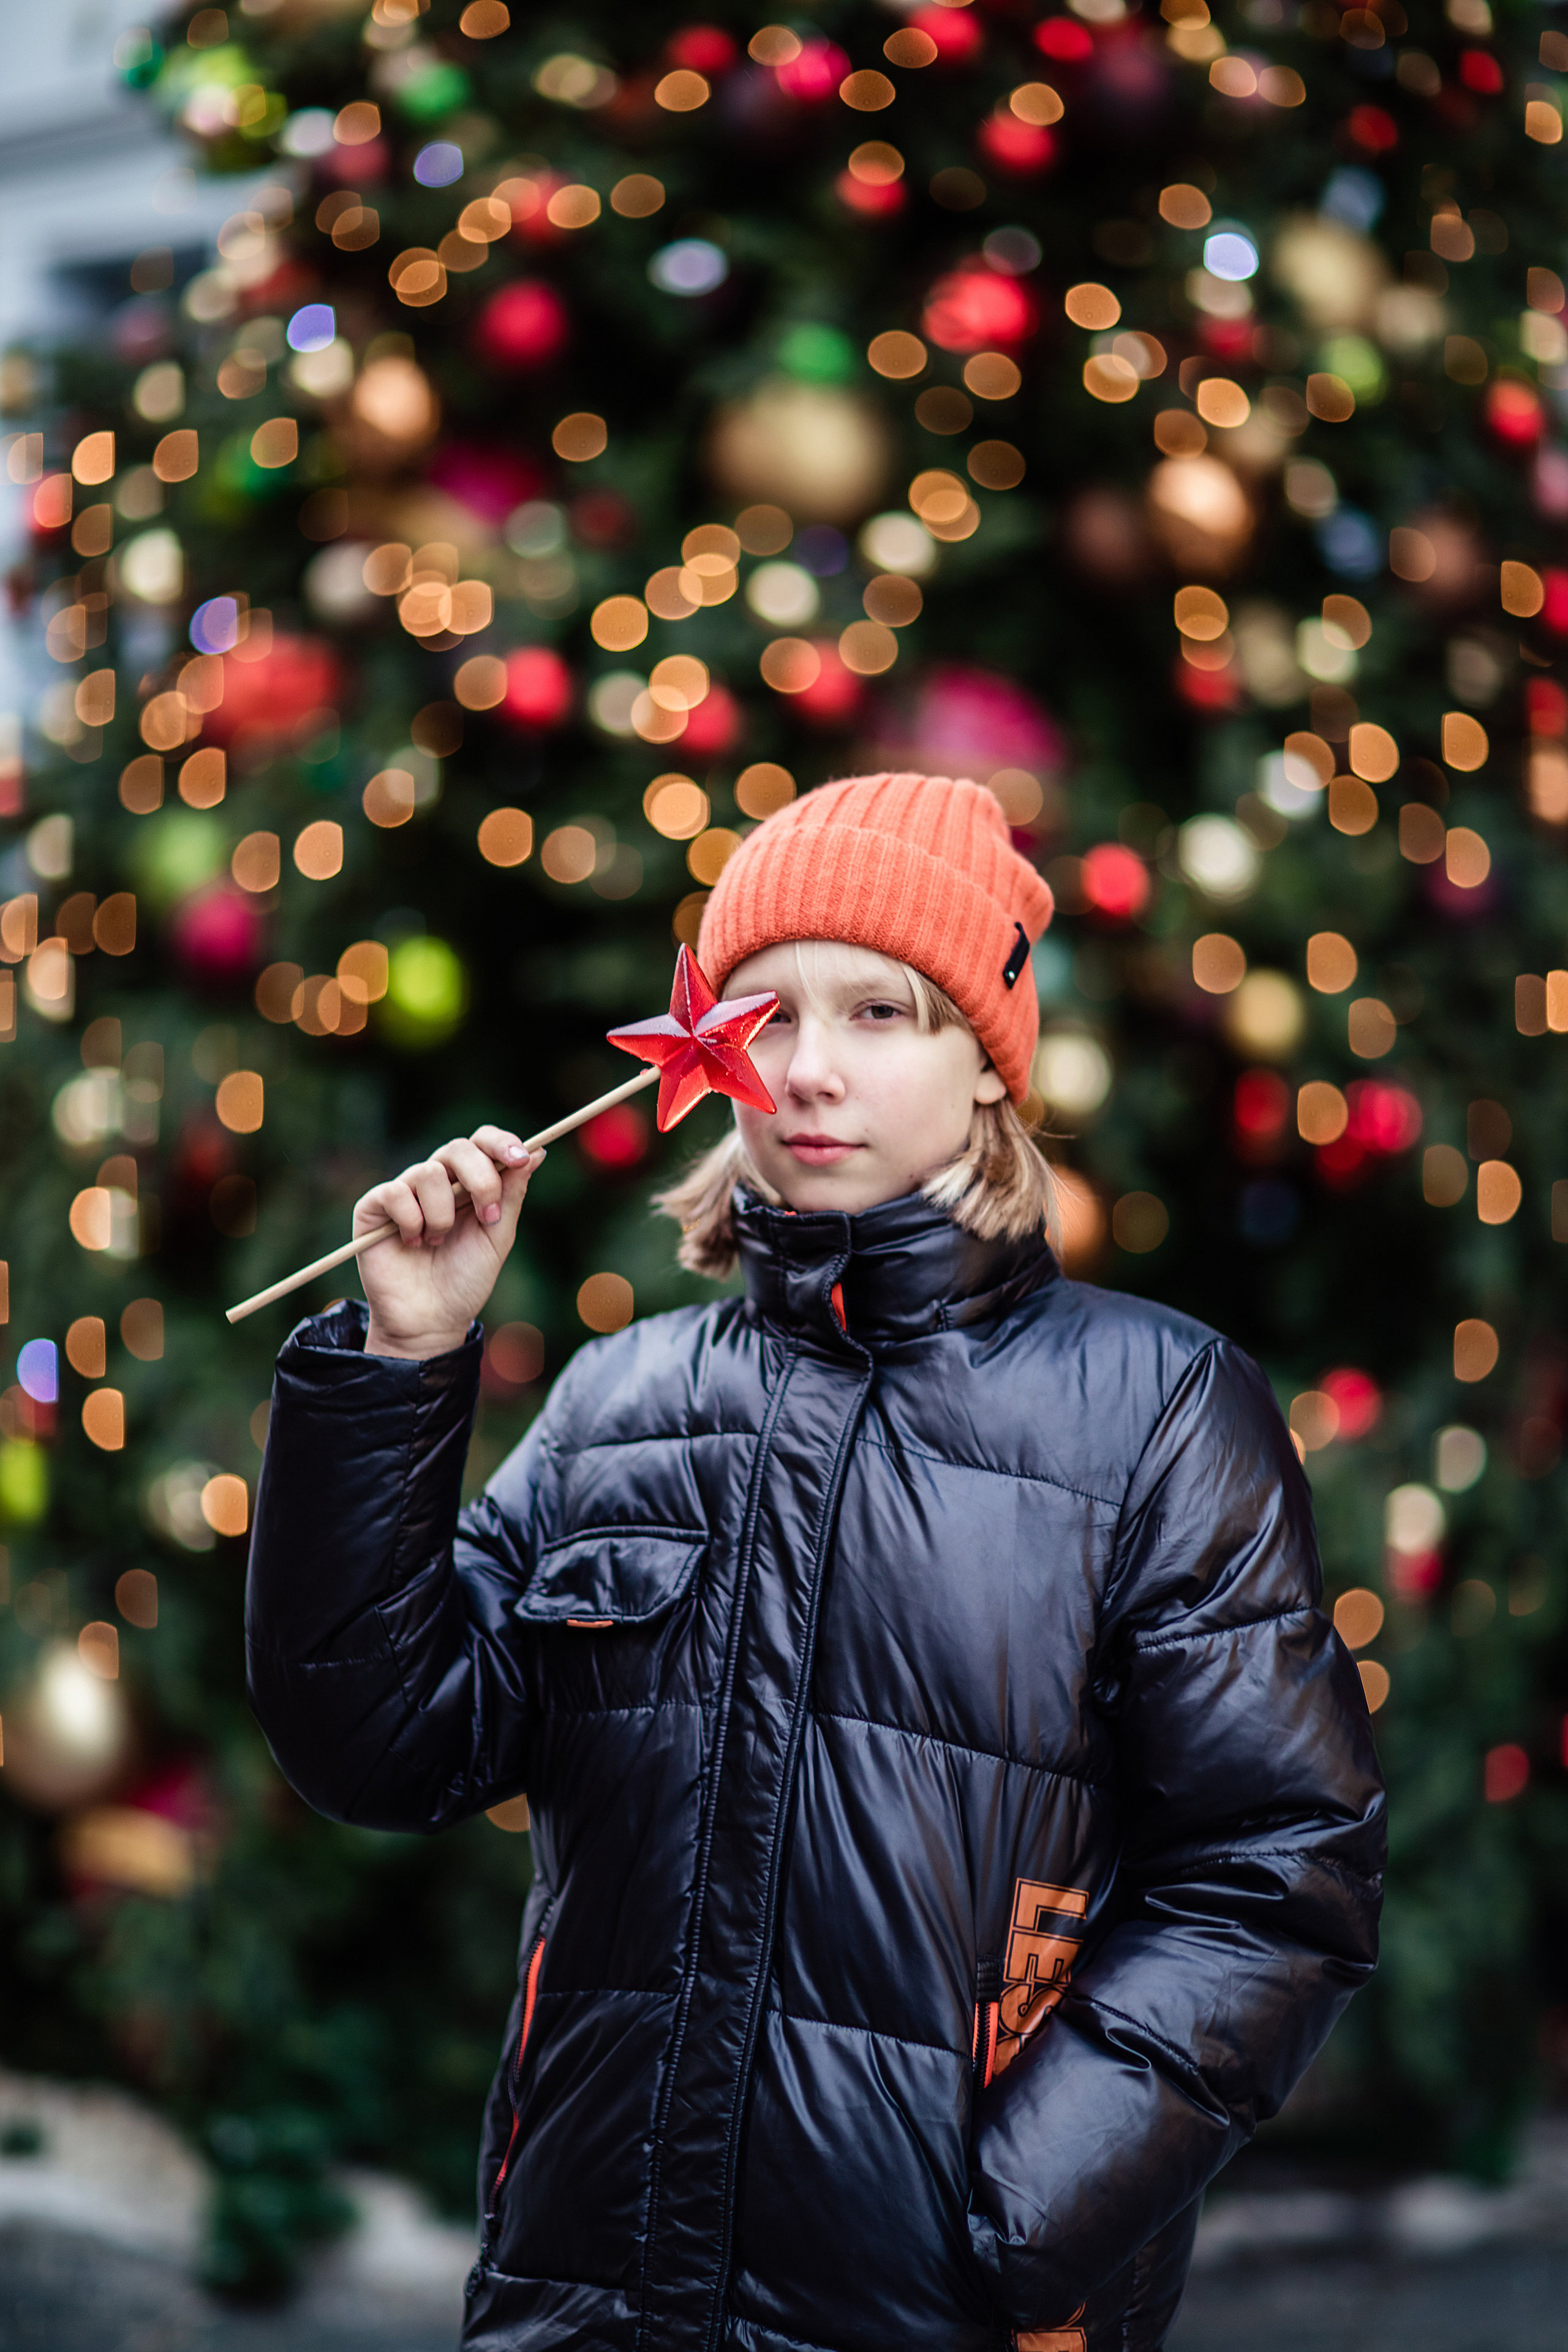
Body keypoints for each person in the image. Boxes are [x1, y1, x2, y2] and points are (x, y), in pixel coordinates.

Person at [246, 771, 1385, 2352]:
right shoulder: (623, 1398)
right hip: (591, 2296)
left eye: (881, 1012)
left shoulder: (1158, 1407)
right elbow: (387, 1744)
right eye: (763, 1017)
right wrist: (400, 1366)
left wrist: (1016, 2215)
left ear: (986, 1064)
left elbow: (1276, 1868)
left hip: (950, 2304)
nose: (811, 1070)